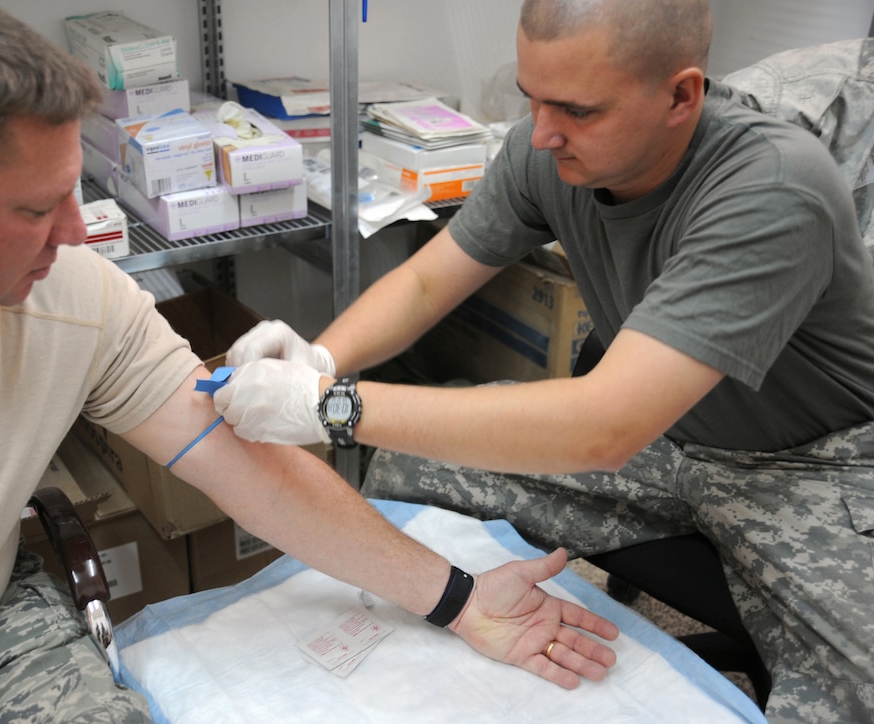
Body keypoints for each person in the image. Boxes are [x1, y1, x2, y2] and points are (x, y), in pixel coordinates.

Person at [0, 0, 627, 720]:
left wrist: (462, 600)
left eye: (73, 194)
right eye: (39, 209)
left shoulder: (71, 296)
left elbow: (246, 469)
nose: (78, 237)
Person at [214, 1, 874, 722]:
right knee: (410, 469)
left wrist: (330, 406)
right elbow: (429, 280)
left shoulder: (773, 189)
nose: (542, 130)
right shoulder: (549, 150)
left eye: (577, 110)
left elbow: (603, 428)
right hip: (668, 439)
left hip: (813, 468)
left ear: (681, 95)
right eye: (532, 99)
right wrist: (321, 356)